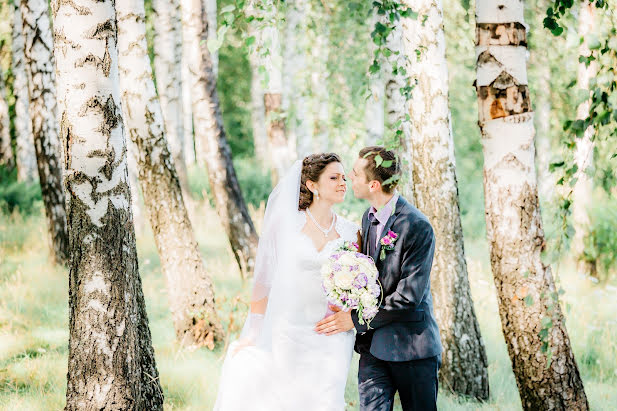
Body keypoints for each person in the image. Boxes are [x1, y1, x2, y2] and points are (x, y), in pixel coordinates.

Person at [214, 153, 361, 410]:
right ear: (312, 185)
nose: (343, 183)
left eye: (345, 178)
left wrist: (349, 314)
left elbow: (360, 282)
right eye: (334, 178)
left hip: (331, 332)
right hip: (288, 327)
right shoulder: (285, 224)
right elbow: (264, 281)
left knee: (325, 399)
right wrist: (254, 331)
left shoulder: (351, 232)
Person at [315, 146, 442, 411]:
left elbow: (408, 297)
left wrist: (353, 319)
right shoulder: (367, 217)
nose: (349, 178)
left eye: (354, 174)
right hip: (373, 348)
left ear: (373, 184)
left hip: (411, 347)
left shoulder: (417, 225)